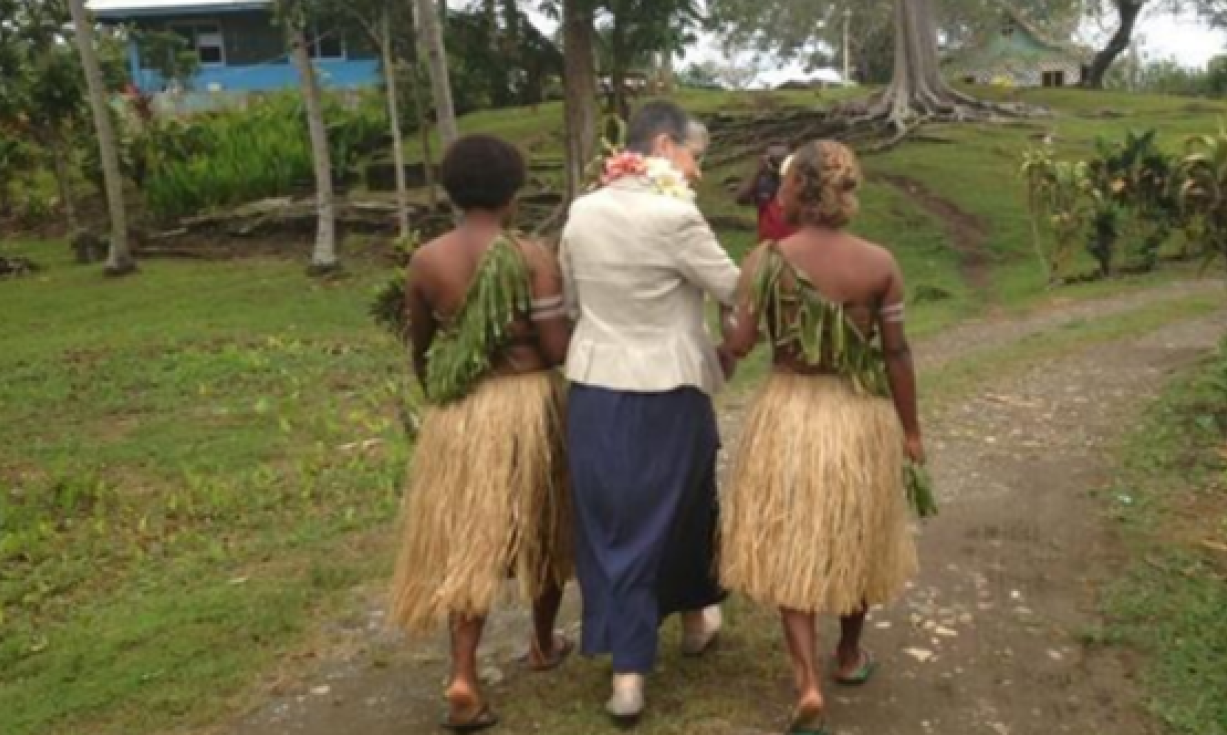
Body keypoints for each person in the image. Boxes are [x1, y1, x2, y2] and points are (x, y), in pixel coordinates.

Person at [719, 140, 922, 735]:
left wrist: (727, 315)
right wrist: (911, 430)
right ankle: (849, 654)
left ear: (793, 191)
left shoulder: (766, 260)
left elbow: (739, 344)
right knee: (857, 532)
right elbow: (897, 353)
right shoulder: (879, 263)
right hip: (856, 414)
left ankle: (806, 680)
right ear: (847, 191)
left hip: (788, 412)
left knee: (793, 540)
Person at [559, 100, 737, 724]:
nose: (698, 172)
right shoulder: (676, 218)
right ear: (664, 147)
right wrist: (729, 347)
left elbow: (573, 303)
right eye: (696, 156)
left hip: (595, 391)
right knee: (677, 511)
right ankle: (629, 672)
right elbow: (738, 290)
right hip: (669, 392)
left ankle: (695, 616)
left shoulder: (580, 212)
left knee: (616, 521)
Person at [389, 135, 574, 733]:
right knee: (544, 525)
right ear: (513, 193)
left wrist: (439, 400)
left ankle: (464, 675)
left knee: (469, 541)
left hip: (459, 414)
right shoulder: (533, 256)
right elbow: (554, 350)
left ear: (452, 190)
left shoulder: (426, 260)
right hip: (527, 405)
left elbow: (419, 348)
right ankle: (544, 642)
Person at [735, 141, 797, 242]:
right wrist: (758, 171)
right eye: (773, 159)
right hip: (768, 245)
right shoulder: (761, 182)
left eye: (782, 159)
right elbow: (740, 199)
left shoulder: (799, 182)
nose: (778, 164)